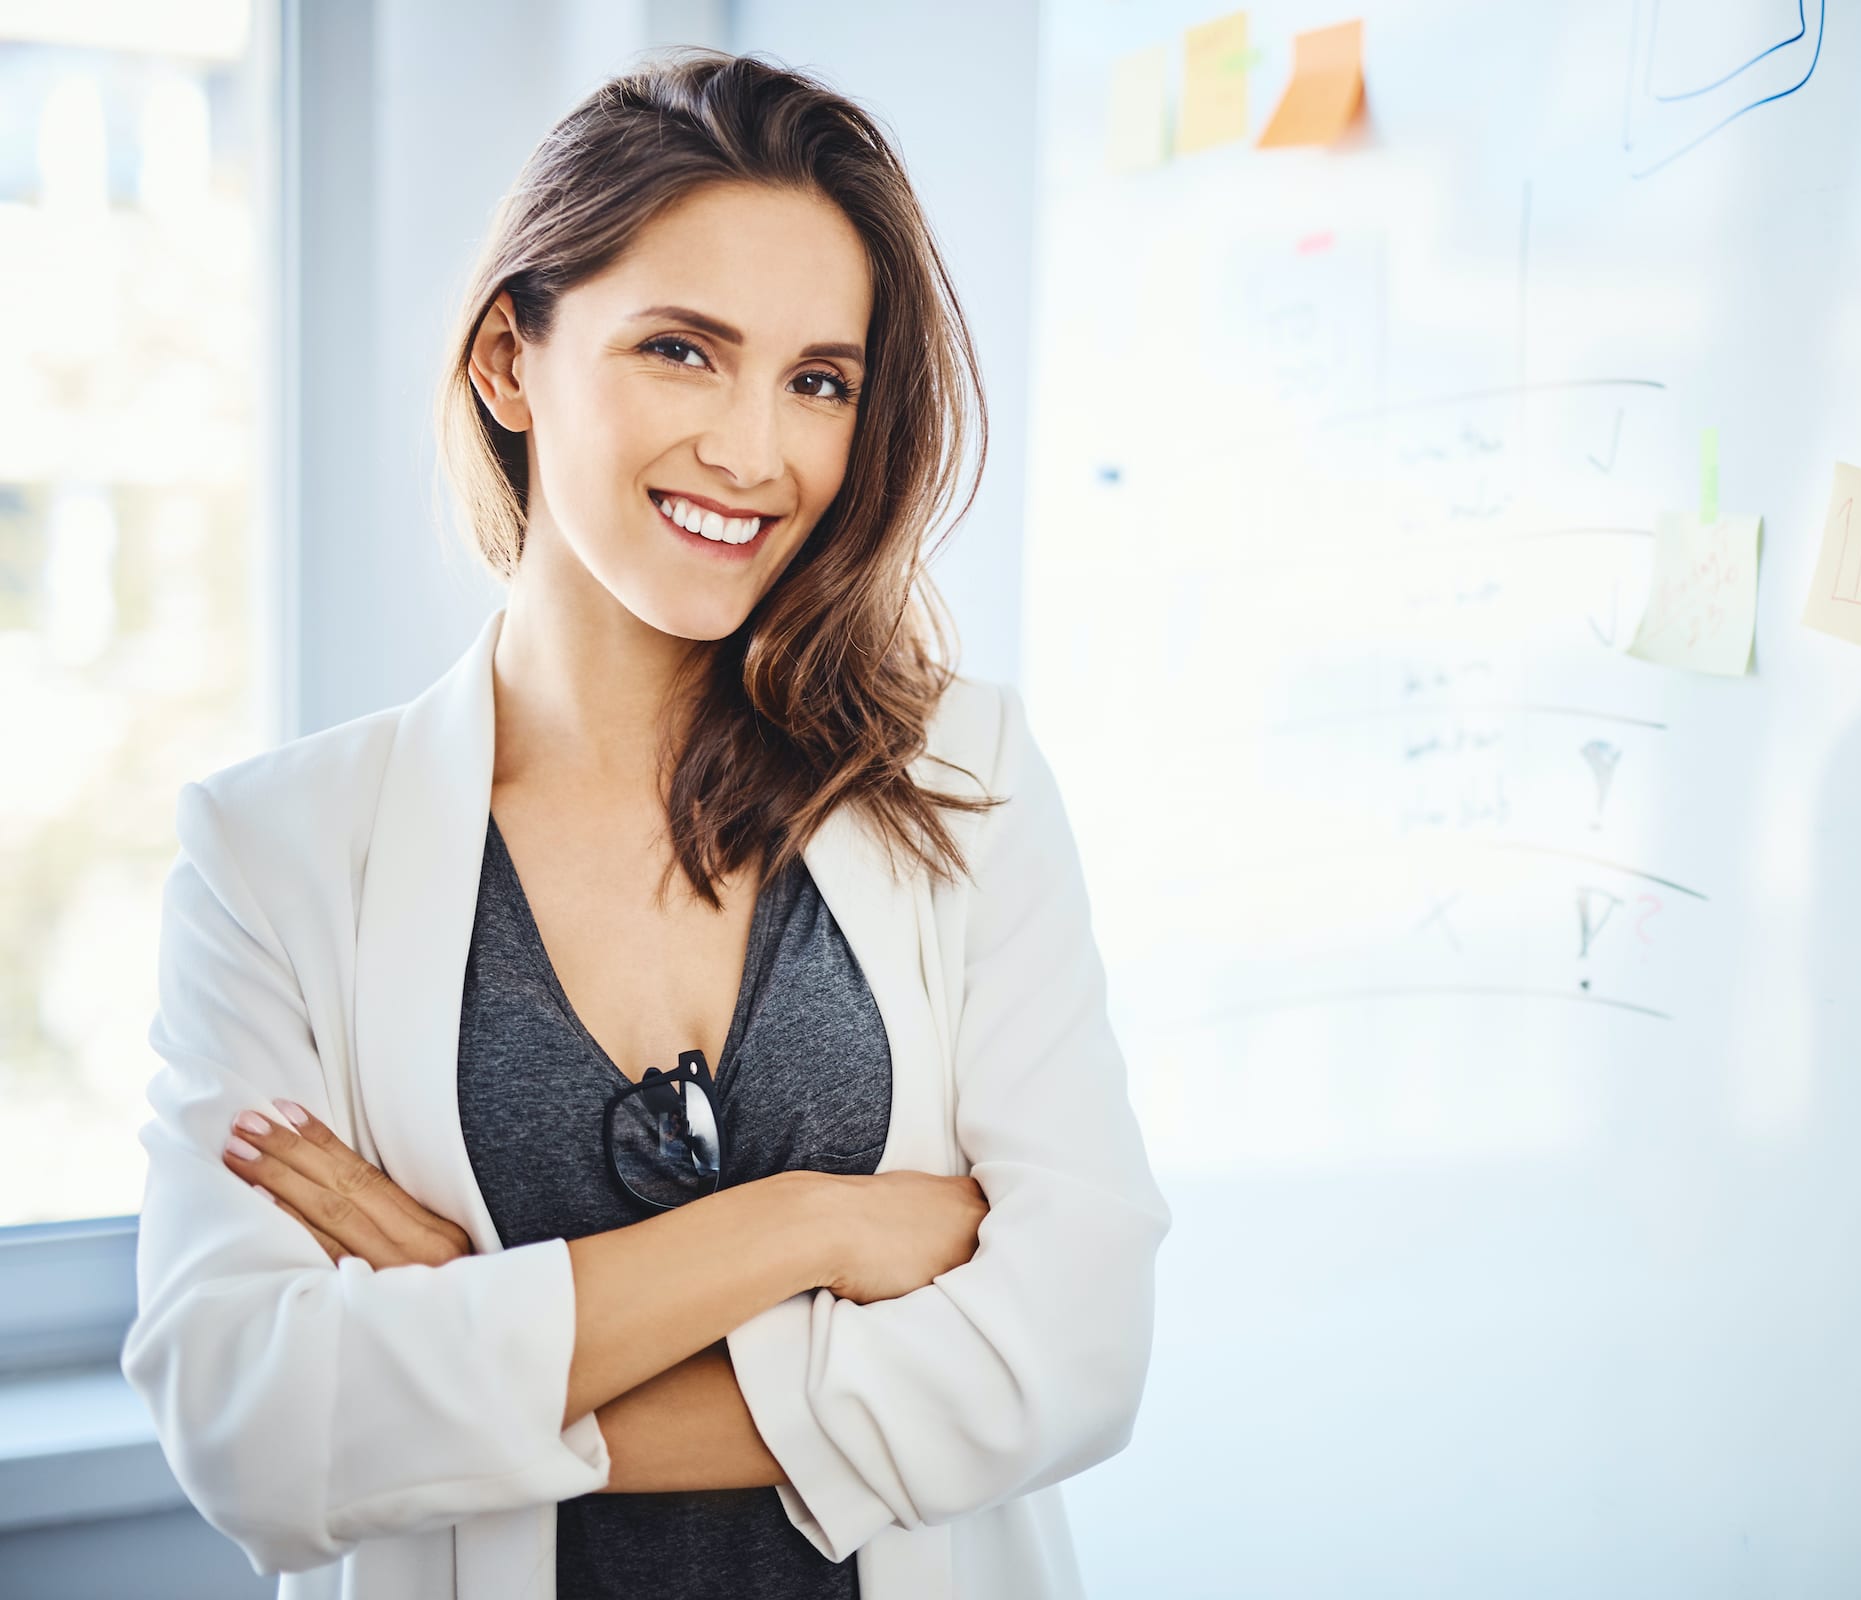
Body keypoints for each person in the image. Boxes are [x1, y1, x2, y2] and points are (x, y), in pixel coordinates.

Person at [118, 48, 1170, 1600]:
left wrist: (479, 1329)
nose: (757, 453)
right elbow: (252, 1425)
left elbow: (1076, 1348)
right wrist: (805, 1229)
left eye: (820, 378)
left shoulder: (964, 777)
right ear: (506, 359)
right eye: (683, 350)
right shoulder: (278, 856)